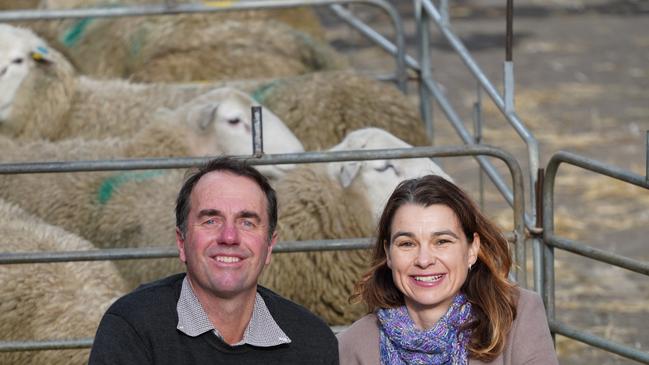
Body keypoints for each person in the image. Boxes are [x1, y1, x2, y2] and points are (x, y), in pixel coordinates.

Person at [89, 157, 338, 364]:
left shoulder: (313, 342)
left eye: (247, 222)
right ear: (181, 242)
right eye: (211, 220)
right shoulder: (132, 328)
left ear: (269, 246)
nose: (229, 236)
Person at [337, 175, 558, 365]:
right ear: (388, 254)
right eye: (407, 243)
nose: (424, 260)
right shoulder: (354, 344)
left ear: (472, 249)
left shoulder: (518, 317)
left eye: (442, 241)